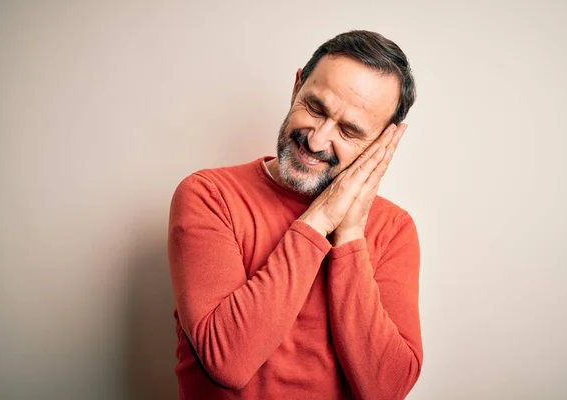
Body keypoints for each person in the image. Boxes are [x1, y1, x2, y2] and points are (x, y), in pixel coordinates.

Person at [167, 30, 422, 399]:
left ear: (384, 141)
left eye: (349, 131)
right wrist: (320, 220)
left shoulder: (395, 229)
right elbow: (228, 361)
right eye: (315, 108)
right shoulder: (209, 195)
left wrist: (349, 235)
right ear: (297, 86)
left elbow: (387, 389)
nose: (317, 140)